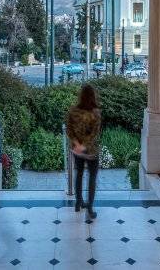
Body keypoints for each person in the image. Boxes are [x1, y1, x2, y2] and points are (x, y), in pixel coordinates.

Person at [65, 84, 101, 221]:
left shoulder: (74, 110)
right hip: (90, 150)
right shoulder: (95, 112)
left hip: (76, 150)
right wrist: (84, 146)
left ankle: (78, 202)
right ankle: (90, 208)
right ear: (93, 96)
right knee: (92, 178)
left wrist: (77, 144)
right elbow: (94, 134)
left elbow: (69, 129)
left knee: (79, 174)